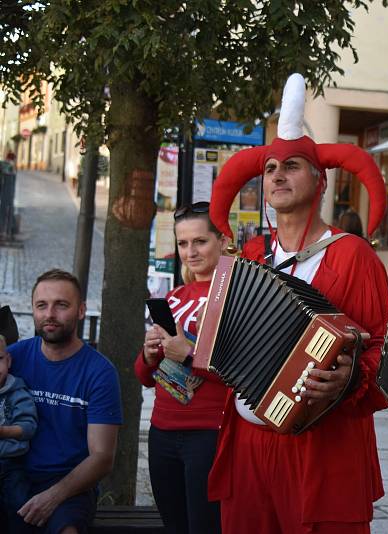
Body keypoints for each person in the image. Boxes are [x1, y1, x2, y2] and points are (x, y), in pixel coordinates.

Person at [206, 73, 388, 534]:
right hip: (248, 447)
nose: (278, 175)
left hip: (322, 451)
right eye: (270, 168)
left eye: (292, 165)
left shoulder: (352, 255)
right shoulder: (251, 255)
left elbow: (387, 350)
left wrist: (351, 378)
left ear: (320, 179)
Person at [134, 202, 229, 534]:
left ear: (223, 240)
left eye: (200, 241)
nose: (191, 251)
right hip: (161, 429)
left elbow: (242, 372)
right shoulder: (172, 297)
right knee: (174, 526)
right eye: (183, 243)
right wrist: (148, 355)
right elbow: (145, 376)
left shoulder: (234, 297)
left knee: (205, 526)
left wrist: (188, 354)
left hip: (210, 432)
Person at [7, 269, 122, 533]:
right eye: (41, 305)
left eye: (61, 305)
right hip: (14, 472)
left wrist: (53, 497)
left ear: (81, 310)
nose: (49, 314)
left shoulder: (100, 373)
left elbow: (103, 457)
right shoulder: (13, 359)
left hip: (71, 483)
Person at [0, 335, 37, 533]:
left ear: (8, 360)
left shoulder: (18, 392)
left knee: (19, 507)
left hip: (12, 464)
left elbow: (28, 428)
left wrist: (3, 431)